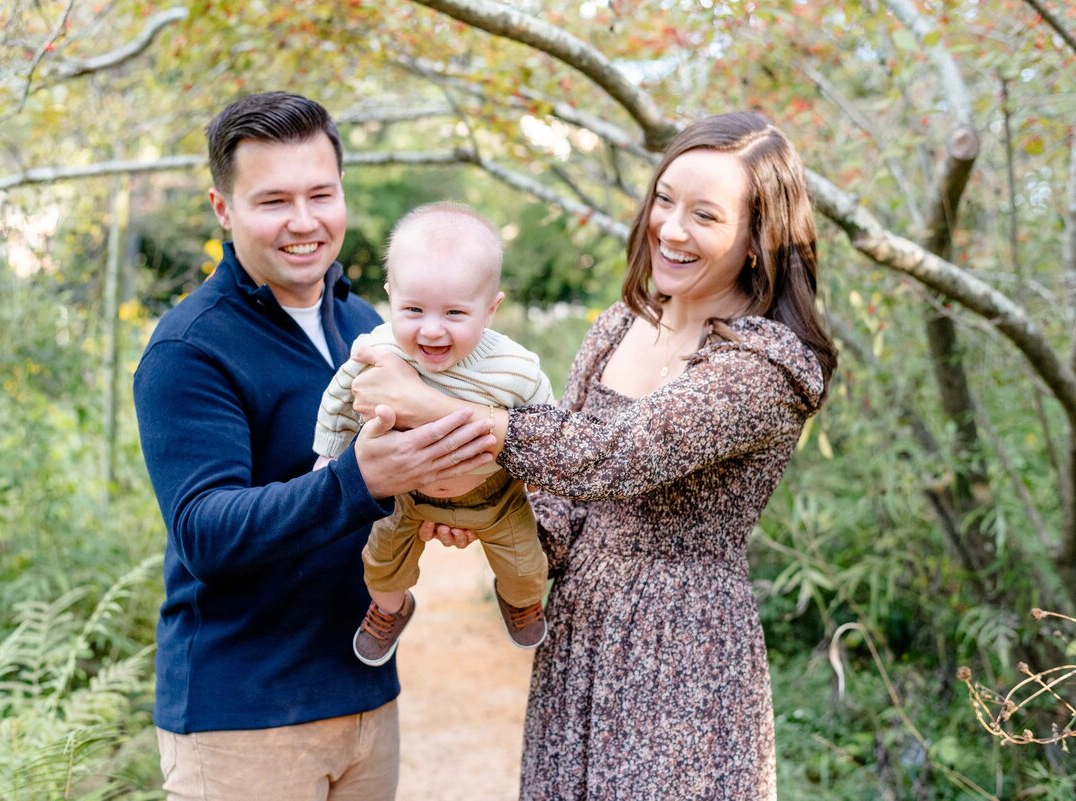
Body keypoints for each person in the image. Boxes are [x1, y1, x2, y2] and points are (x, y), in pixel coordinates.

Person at [349, 111, 838, 799]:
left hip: (682, 646)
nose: (670, 228)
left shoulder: (763, 366)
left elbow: (615, 457)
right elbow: (560, 492)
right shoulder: (619, 325)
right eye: (664, 200)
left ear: (757, 241)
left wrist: (433, 405)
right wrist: (485, 518)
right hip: (577, 629)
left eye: (704, 215)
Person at [132, 92, 496, 801]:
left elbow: (397, 482)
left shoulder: (368, 324)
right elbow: (205, 532)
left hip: (365, 695)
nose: (304, 221)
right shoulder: (189, 348)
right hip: (242, 721)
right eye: (273, 201)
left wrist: (444, 501)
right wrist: (359, 480)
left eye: (321, 194)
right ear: (222, 208)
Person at [313, 201, 555, 666]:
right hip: (405, 494)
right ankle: (392, 608)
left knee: (526, 568)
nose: (431, 330)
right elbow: (340, 396)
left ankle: (520, 600)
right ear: (390, 297)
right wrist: (328, 453)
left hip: (495, 495)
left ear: (490, 309)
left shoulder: (515, 368)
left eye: (454, 313)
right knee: (380, 565)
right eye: (413, 309)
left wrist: (541, 477)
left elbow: (546, 423)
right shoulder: (380, 350)